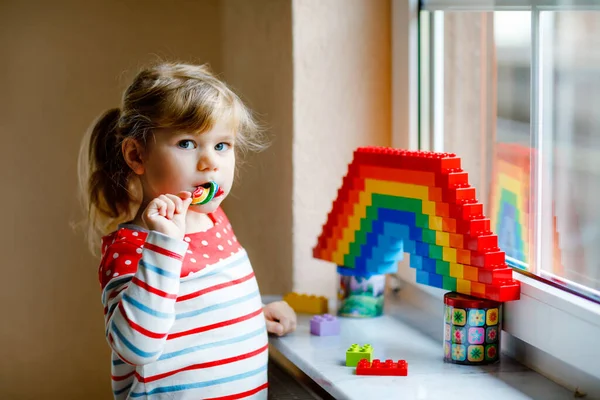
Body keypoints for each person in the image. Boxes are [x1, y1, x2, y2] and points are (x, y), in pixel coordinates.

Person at [77, 62, 297, 399]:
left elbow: (196, 307)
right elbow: (135, 346)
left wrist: (250, 316)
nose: (211, 161)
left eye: (222, 145)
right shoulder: (133, 246)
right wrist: (164, 244)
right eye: (187, 144)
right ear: (137, 155)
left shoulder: (216, 220)